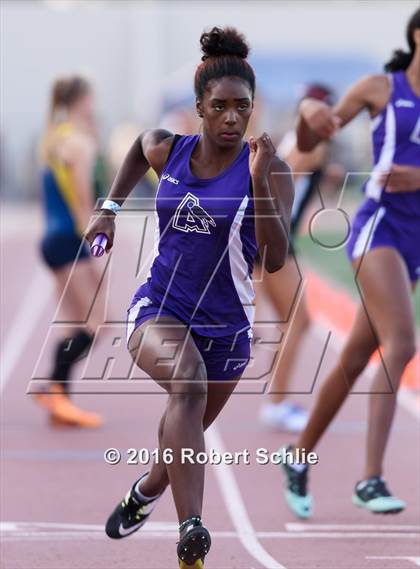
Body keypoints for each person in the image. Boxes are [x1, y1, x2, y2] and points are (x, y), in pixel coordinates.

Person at [86, 27, 293, 568]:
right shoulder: (168, 150)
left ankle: (148, 488)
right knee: (188, 383)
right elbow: (136, 148)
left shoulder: (270, 169)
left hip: (229, 329)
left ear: (253, 109)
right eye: (219, 106)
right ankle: (192, 530)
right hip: (161, 308)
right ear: (199, 106)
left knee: (184, 429)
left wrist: (261, 185)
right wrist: (109, 207)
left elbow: (273, 261)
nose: (231, 118)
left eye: (241, 108)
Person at [280, 8, 420, 518]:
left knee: (357, 356)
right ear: (417, 35)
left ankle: (297, 455)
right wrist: (307, 117)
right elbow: (312, 140)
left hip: (417, 240)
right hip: (378, 229)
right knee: (401, 342)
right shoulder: (379, 88)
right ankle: (371, 479)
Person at [258, 84, 339, 432]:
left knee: (288, 320)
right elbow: (279, 178)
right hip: (271, 238)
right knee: (298, 320)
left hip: (271, 234)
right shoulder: (313, 146)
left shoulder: (296, 139)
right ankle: (276, 403)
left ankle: (277, 398)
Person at [34, 76, 104, 428]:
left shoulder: (53, 138)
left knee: (72, 324)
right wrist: (96, 242)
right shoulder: (78, 142)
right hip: (70, 240)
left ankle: (59, 396)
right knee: (97, 322)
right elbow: (81, 199)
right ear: (83, 100)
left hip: (52, 239)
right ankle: (53, 386)